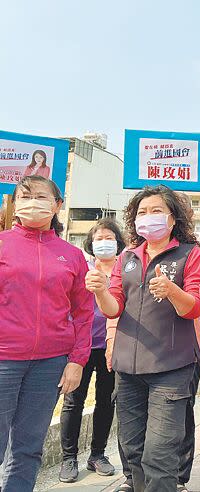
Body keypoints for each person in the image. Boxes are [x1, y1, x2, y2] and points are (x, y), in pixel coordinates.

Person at [86, 185, 200, 492]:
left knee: (160, 453)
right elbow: (113, 307)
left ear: (172, 218)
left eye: (156, 211)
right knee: (134, 449)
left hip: (172, 368)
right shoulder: (127, 256)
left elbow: (194, 306)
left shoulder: (189, 254)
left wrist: (172, 290)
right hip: (128, 368)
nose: (148, 217)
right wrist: (100, 290)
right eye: (142, 212)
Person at [0, 175, 93, 491]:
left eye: (41, 197)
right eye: (24, 197)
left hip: (50, 365)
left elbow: (82, 312)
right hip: (3, 361)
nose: (32, 203)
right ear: (15, 205)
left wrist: (77, 360)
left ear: (57, 205)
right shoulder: (2, 244)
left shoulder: (73, 255)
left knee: (28, 448)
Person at [59, 218, 126, 483]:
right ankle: (68, 458)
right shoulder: (81, 268)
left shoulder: (124, 269)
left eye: (109, 238)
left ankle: (97, 454)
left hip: (111, 346)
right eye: (99, 239)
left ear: (117, 242)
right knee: (73, 402)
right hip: (80, 346)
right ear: (91, 243)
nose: (104, 243)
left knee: (106, 402)